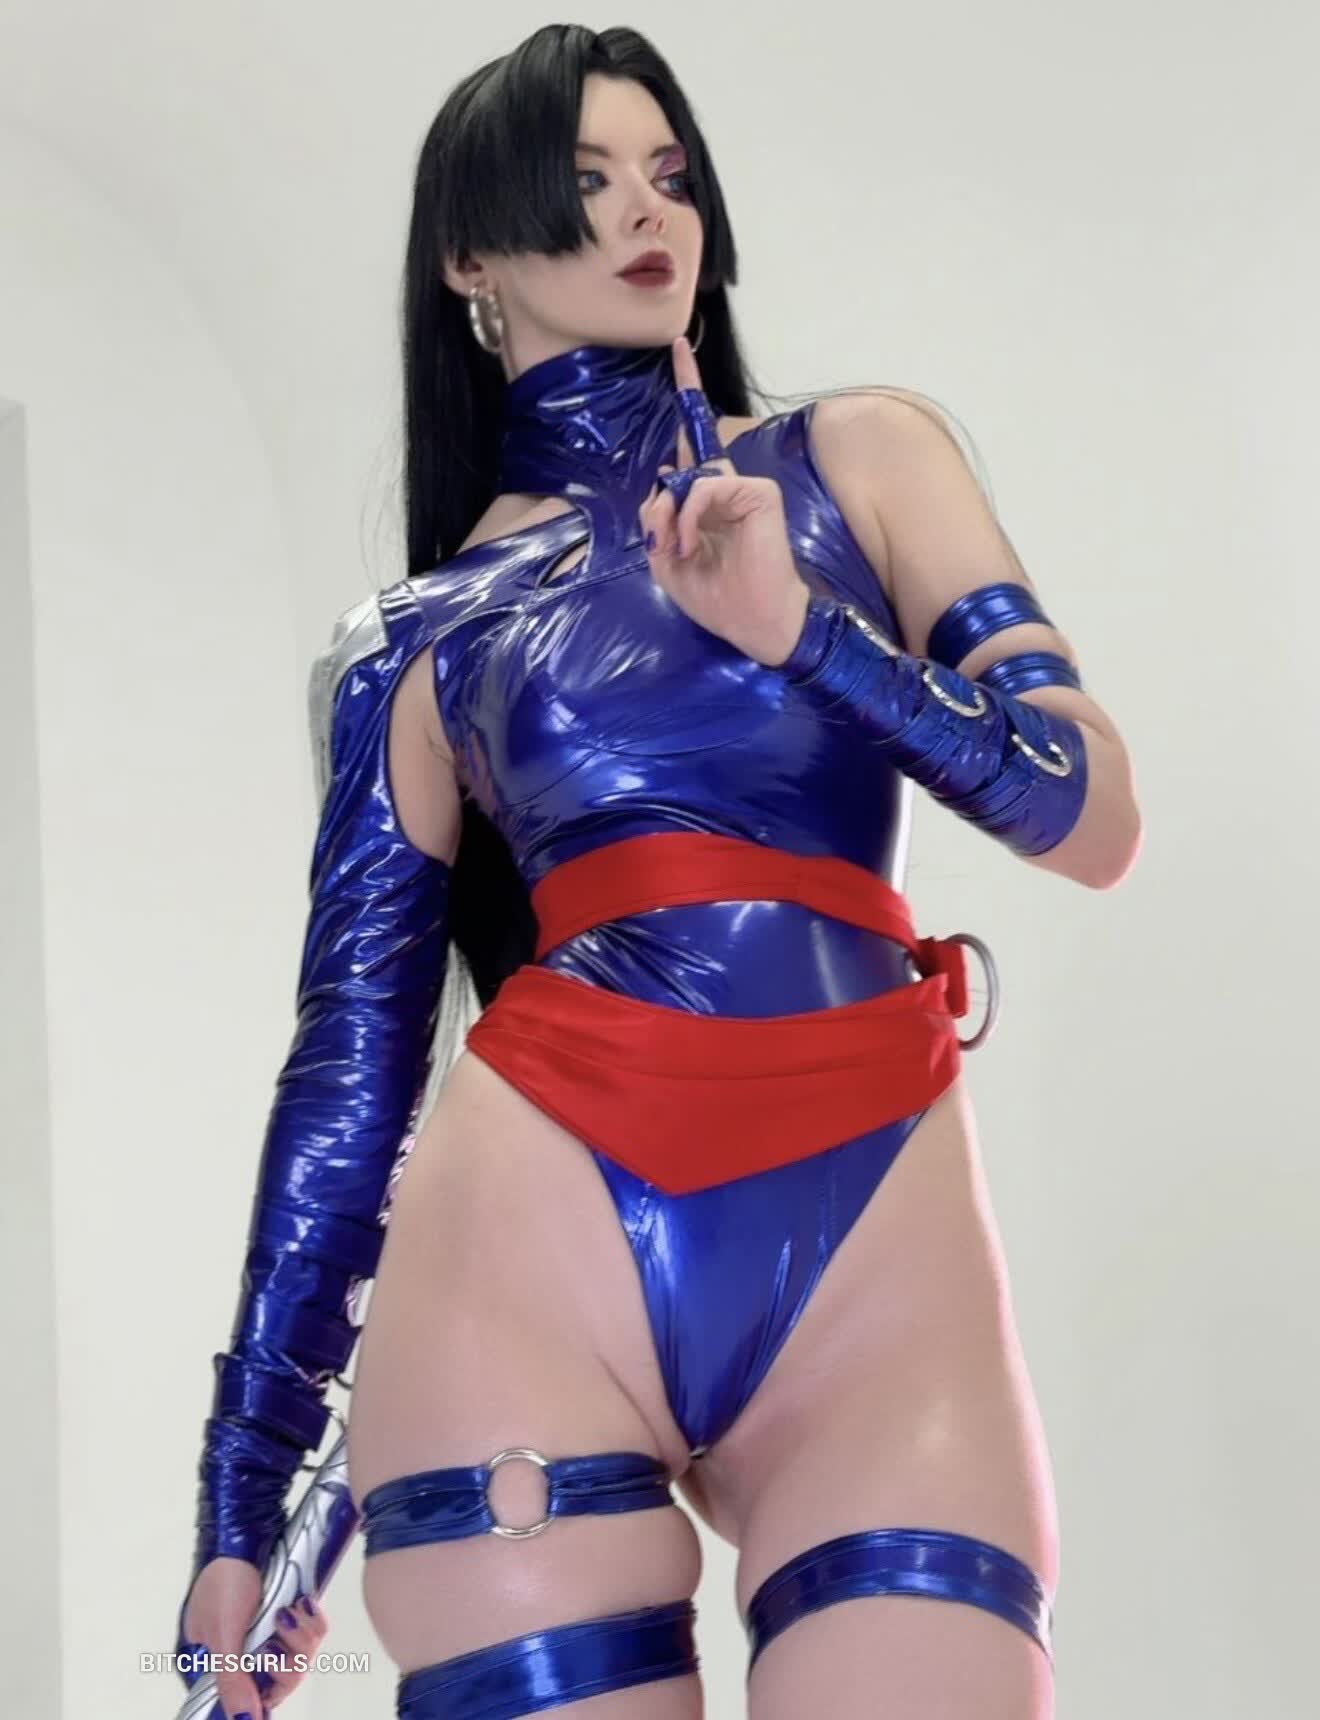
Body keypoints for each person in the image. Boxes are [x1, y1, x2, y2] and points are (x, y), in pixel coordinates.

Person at [175, 21, 1141, 1720]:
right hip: (531, 1253)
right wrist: (251, 1504)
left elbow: (1093, 818)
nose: (647, 212)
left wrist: (803, 634)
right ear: (470, 258)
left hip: (874, 1232)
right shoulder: (413, 641)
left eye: (670, 173)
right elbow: (351, 1073)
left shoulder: (858, 459)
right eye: (586, 179)